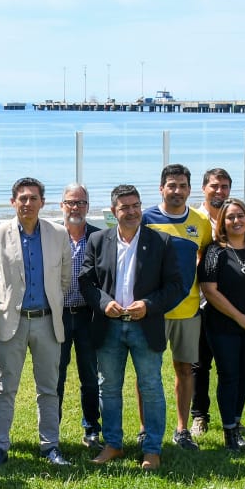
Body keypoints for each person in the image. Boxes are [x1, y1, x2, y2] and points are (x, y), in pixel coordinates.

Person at [79, 185, 182, 470]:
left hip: (144, 326)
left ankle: (152, 449)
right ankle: (113, 444)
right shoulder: (98, 240)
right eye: (125, 207)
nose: (132, 211)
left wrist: (149, 304)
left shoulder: (161, 242)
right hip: (108, 326)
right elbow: (86, 282)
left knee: (150, 387)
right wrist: (103, 303)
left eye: (136, 205)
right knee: (108, 388)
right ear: (114, 212)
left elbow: (175, 287)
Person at [0, 177, 74, 468]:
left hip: (47, 321)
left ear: (42, 202)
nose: (27, 203)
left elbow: (65, 278)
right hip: (13, 321)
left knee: (48, 388)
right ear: (13, 202)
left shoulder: (58, 233)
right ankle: (0, 447)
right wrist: (3, 304)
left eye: (33, 198)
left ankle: (50, 446)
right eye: (22, 198)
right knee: (4, 387)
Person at [142, 163, 212, 451]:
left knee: (185, 369)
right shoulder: (146, 218)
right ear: (161, 188)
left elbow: (207, 257)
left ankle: (182, 429)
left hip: (188, 311)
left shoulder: (200, 222)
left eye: (182, 186)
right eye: (172, 185)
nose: (177, 191)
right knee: (148, 373)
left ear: (189, 189)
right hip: (153, 311)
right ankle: (146, 430)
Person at [200, 198, 245, 452]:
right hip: (223, 325)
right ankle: (229, 431)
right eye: (230, 217)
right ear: (222, 222)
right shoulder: (214, 251)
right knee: (229, 376)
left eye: (240, 215)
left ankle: (237, 423)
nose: (236, 221)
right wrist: (239, 318)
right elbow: (209, 290)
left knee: (243, 376)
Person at [188, 167, 232, 437]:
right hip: (199, 302)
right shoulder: (194, 219)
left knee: (229, 364)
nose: (219, 191)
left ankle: (231, 417)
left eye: (224, 186)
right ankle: (199, 415)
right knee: (199, 363)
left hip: (229, 303)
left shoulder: (233, 218)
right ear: (203, 188)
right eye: (214, 186)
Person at [58, 183, 102, 450]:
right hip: (58, 315)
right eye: (71, 202)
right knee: (56, 375)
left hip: (88, 316)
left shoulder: (98, 237)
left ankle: (91, 430)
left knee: (89, 375)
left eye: (81, 203)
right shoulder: (52, 236)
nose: (76, 208)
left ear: (88, 206)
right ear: (62, 205)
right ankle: (53, 430)